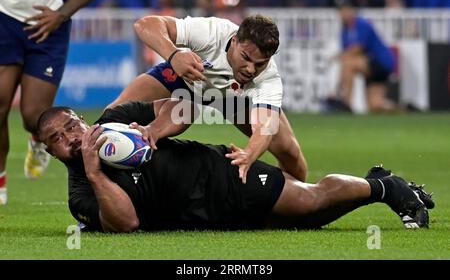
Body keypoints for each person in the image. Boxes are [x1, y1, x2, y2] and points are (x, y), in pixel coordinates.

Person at [36, 100, 434, 233]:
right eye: (58, 139)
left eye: (72, 126)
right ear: (51, 154)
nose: (70, 137)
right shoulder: (81, 193)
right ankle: (376, 182)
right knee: (304, 221)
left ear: (83, 120)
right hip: (202, 217)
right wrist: (93, 170)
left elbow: (184, 106)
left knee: (311, 201)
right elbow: (126, 224)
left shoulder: (118, 117)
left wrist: (154, 130)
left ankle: (388, 188)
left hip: (220, 174)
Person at [108, 14, 308, 187]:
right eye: (245, 58)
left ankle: (293, 203)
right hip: (187, 77)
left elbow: (265, 128)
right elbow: (144, 25)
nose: (250, 70)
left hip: (234, 100)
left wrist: (249, 154)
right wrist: (174, 55)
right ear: (235, 40)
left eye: (260, 64)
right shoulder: (213, 33)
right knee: (111, 115)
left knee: (290, 153)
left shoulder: (268, 78)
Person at [0, 0, 104, 205]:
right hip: (5, 22)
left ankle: (37, 140)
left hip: (50, 27)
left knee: (33, 116)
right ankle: (1, 180)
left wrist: (61, 15)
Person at [329, 0, 398, 113]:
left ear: (351, 10)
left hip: (380, 62)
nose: (342, 14)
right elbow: (348, 51)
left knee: (349, 64)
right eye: (340, 11)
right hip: (371, 67)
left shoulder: (362, 24)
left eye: (344, 10)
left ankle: (346, 103)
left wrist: (336, 58)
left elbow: (358, 48)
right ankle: (404, 110)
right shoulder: (344, 31)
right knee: (375, 106)